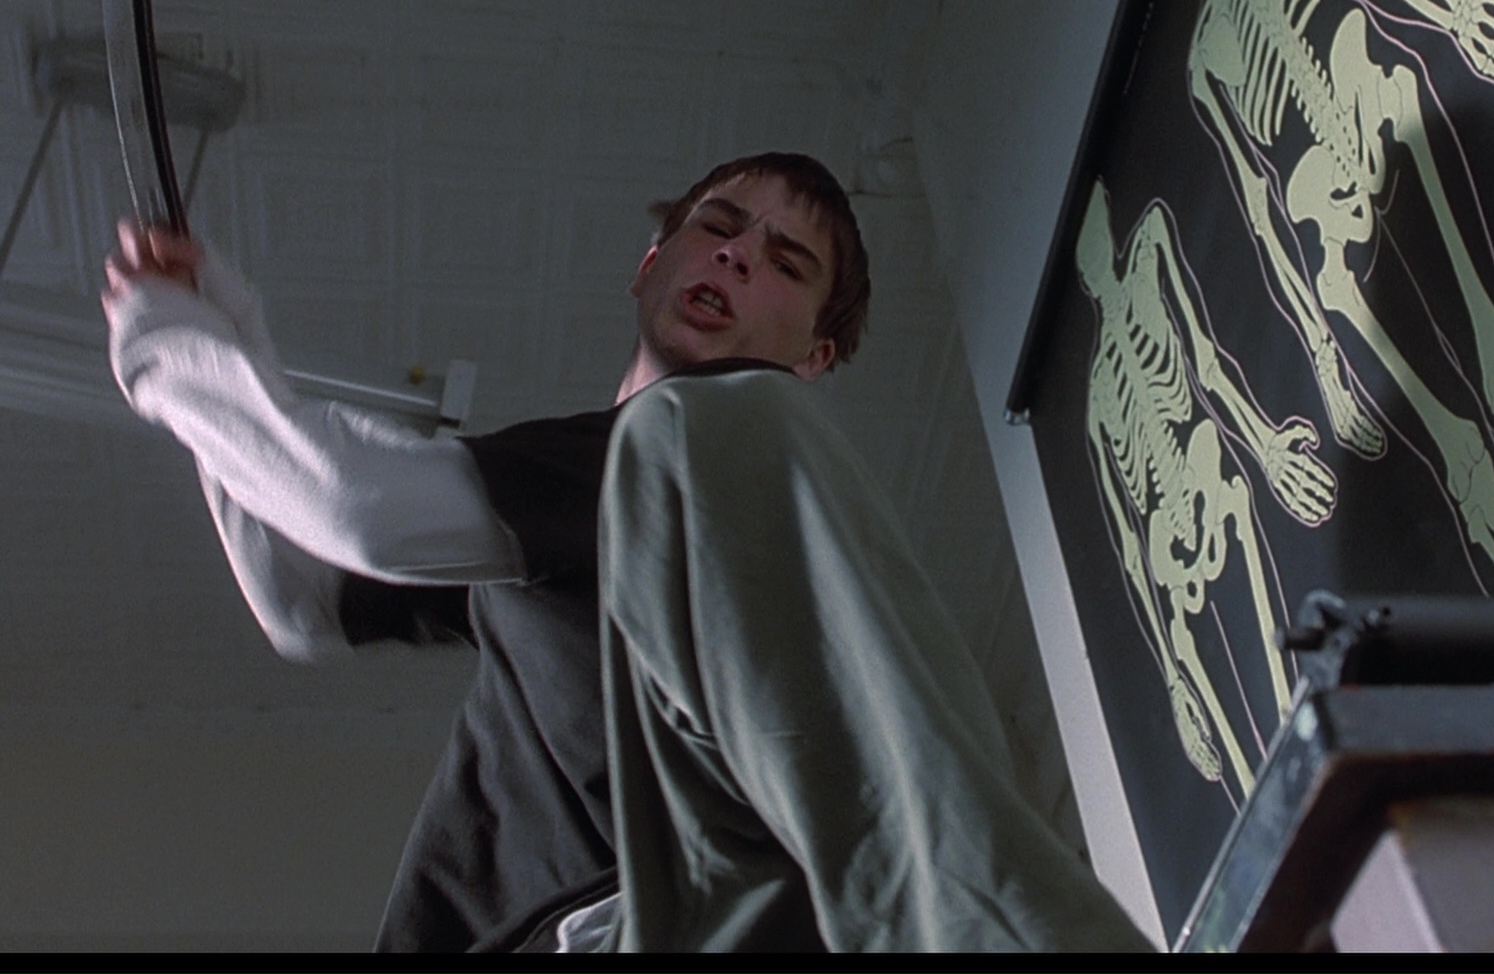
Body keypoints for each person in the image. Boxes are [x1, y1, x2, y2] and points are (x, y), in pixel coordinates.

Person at [103, 152, 1150, 951]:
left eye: (785, 263)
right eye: (719, 227)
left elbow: (353, 505)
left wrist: (173, 356)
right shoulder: (577, 482)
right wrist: (227, 334)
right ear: (652, 264)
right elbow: (302, 594)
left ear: (813, 358)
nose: (737, 255)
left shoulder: (687, 442)